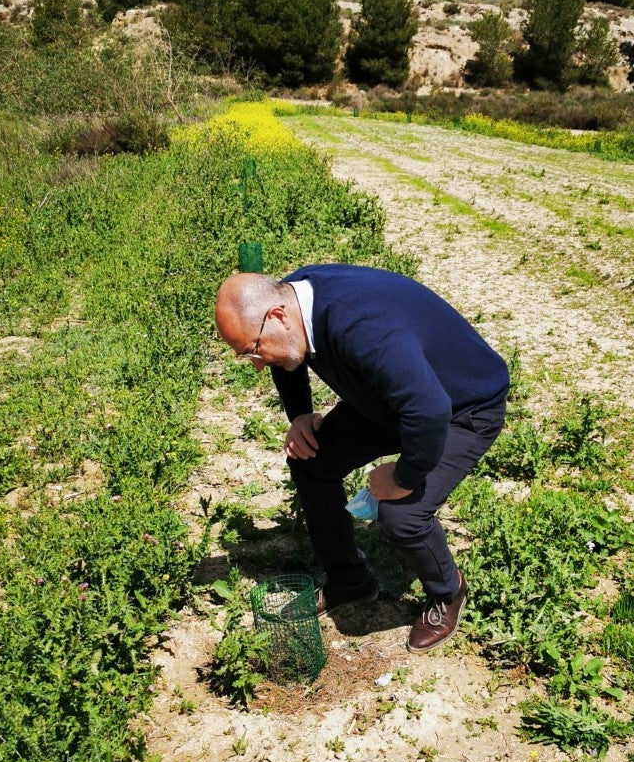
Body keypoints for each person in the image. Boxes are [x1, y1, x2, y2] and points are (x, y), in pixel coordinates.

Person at [214, 264, 509, 652]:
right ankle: (349, 581)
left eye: (253, 350)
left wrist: (403, 477)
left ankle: (447, 592)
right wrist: (300, 414)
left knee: (402, 515)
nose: (255, 363)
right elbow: (284, 355)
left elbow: (430, 409)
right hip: (390, 398)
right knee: (310, 460)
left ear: (278, 316)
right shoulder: (294, 300)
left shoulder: (359, 327)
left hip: (461, 408)